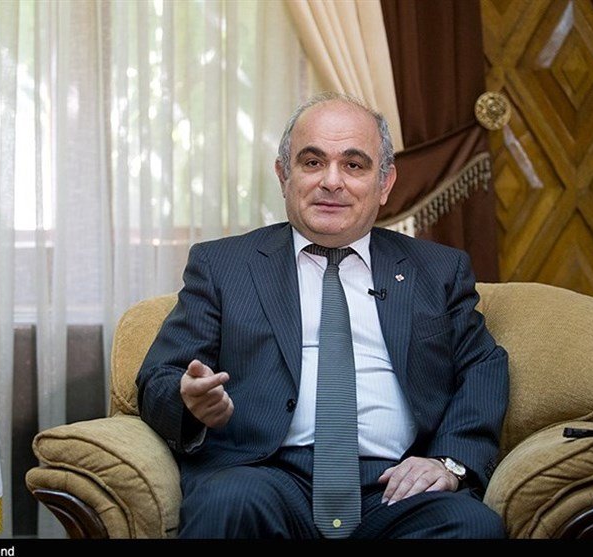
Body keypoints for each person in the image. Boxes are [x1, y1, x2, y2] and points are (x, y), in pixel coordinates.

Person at [136, 92, 509, 539]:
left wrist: (449, 461)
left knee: (473, 527)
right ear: (283, 175)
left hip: (396, 485)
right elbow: (160, 377)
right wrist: (189, 403)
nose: (332, 181)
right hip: (266, 475)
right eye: (312, 162)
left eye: (354, 165)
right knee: (227, 503)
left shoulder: (438, 270)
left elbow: (483, 367)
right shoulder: (223, 266)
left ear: (385, 183)